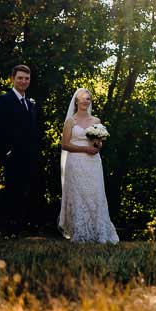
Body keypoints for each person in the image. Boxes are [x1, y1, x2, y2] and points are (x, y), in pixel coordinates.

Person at [57, 88, 119, 244]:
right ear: (76, 101)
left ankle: (100, 232)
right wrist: (85, 149)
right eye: (82, 98)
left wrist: (97, 145)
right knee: (79, 196)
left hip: (93, 163)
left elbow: (99, 144)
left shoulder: (96, 121)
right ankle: (81, 232)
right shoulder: (70, 121)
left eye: (88, 99)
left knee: (96, 194)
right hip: (76, 163)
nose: (85, 100)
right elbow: (65, 145)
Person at [0, 64, 44, 235]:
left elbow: (34, 130)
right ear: (12, 79)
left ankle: (18, 228)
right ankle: (6, 229)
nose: (23, 81)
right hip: (12, 155)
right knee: (11, 191)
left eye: (27, 78)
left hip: (29, 156)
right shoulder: (3, 100)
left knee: (25, 192)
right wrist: (6, 150)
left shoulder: (31, 103)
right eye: (20, 78)